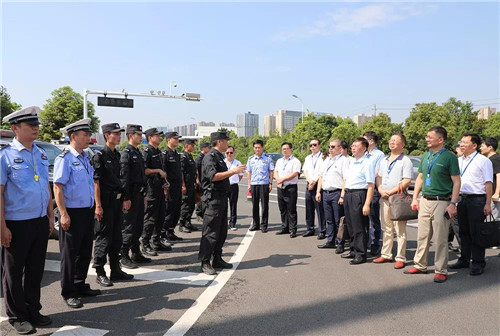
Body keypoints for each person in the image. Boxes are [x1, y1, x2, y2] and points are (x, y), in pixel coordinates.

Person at [1, 106, 54, 334]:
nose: (36, 128)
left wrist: (50, 216)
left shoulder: (40, 153)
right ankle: (17, 315)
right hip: (17, 223)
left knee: (35, 270)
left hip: (39, 221)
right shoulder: (5, 157)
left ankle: (33, 309)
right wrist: (2, 226)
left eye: (37, 125)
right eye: (30, 125)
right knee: (13, 272)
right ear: (15, 129)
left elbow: (46, 187)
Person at [54, 118, 100, 309]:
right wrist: (63, 214)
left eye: (89, 134)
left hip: (86, 211)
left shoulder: (85, 156)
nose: (89, 138)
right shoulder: (65, 158)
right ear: (73, 136)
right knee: (70, 254)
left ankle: (79, 284)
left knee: (84, 251)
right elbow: (58, 187)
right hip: (72, 212)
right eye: (85, 135)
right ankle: (68, 291)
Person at [405, 126, 460, 283]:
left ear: (440, 139)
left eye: (430, 137)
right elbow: (421, 178)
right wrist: (415, 198)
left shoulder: (449, 158)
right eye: (426, 136)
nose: (427, 139)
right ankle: (420, 264)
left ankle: (441, 269)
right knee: (422, 235)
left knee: (441, 237)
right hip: (426, 200)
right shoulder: (424, 157)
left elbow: (457, 182)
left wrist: (453, 203)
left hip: (442, 201)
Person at [92, 123, 133, 287]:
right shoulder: (100, 156)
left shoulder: (117, 155)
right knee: (103, 238)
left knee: (117, 237)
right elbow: (96, 183)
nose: (118, 136)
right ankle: (100, 272)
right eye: (115, 134)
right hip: (105, 203)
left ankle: (115, 270)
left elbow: (120, 181)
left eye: (119, 134)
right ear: (107, 135)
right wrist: (98, 206)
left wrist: (124, 198)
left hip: (116, 203)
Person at [199, 132, 246, 275]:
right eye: (225, 141)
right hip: (213, 199)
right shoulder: (210, 157)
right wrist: (233, 171)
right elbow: (213, 176)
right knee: (210, 231)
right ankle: (205, 262)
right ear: (219, 142)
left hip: (221, 198)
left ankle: (217, 258)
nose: (227, 144)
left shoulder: (219, 156)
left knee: (221, 231)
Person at [449, 133, 492, 276]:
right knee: (463, 232)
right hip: (461, 199)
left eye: (465, 142)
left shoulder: (483, 161)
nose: (461, 144)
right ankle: (464, 259)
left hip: (477, 199)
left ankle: (478, 262)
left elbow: (488, 183)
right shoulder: (458, 160)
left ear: (474, 145)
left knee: (476, 232)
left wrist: (487, 203)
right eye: (461, 142)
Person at [373, 133, 413, 269]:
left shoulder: (405, 160)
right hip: (384, 197)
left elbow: (407, 180)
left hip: (397, 199)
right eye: (391, 140)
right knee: (387, 228)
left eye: (395, 140)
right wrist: (380, 189)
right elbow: (378, 177)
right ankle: (386, 254)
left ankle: (400, 257)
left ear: (403, 144)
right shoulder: (384, 160)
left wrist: (390, 192)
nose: (392, 142)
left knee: (400, 229)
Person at [119, 124, 150, 269]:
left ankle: (136, 253)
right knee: (128, 227)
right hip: (130, 194)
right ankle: (123, 256)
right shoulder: (126, 153)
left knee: (138, 226)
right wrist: (126, 198)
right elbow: (124, 178)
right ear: (131, 135)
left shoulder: (137, 152)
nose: (141, 137)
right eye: (138, 134)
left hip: (139, 193)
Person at [341, 137, 375, 265]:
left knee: (359, 225)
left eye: (356, 145)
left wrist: (367, 204)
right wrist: (344, 195)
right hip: (349, 194)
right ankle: (353, 250)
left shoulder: (367, 163)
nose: (353, 147)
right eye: (352, 145)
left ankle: (361, 253)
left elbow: (371, 185)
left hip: (359, 194)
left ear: (364, 148)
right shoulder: (352, 162)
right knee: (350, 225)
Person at [141, 128, 171, 257]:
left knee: (160, 216)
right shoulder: (147, 152)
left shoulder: (158, 152)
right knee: (150, 218)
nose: (159, 138)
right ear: (150, 137)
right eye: (157, 136)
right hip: (151, 190)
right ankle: (145, 243)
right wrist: (157, 170)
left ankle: (156, 240)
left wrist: (165, 182)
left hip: (159, 188)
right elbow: (144, 170)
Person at [316, 139, 349, 251]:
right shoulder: (327, 161)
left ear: (340, 148)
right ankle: (330, 240)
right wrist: (318, 192)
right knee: (329, 219)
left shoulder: (343, 161)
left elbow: (346, 178)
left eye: (333, 147)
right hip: (326, 193)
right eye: (329, 147)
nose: (330, 149)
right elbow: (321, 177)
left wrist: (342, 195)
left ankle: (340, 243)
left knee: (338, 220)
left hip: (337, 192)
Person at [363, 131, 385, 256]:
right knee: (363, 218)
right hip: (363, 189)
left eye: (364, 139)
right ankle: (365, 242)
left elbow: (377, 172)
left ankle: (375, 244)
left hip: (374, 189)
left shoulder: (379, 155)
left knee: (373, 218)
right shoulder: (365, 155)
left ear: (371, 141)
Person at [274, 142, 302, 238]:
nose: (285, 150)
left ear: (291, 149)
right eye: (283, 149)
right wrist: (278, 179)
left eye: (286, 149)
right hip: (280, 187)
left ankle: (293, 229)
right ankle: (284, 227)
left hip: (290, 188)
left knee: (291, 209)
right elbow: (275, 171)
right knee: (282, 209)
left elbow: (295, 173)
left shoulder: (295, 161)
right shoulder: (279, 161)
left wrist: (283, 179)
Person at [246, 140, 274, 233]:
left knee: (264, 205)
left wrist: (270, 183)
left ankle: (264, 225)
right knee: (255, 205)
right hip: (254, 184)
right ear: (253, 148)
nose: (257, 149)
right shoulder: (251, 159)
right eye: (255, 147)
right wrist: (249, 184)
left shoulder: (267, 159)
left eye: (259, 147)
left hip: (264, 184)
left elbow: (271, 172)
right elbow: (249, 172)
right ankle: (255, 224)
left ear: (262, 148)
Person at [161, 131, 184, 242]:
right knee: (169, 211)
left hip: (177, 186)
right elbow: (163, 171)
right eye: (175, 138)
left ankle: (170, 231)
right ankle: (163, 234)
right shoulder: (165, 154)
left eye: (177, 138)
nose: (177, 140)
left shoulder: (176, 154)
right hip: (170, 187)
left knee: (176, 211)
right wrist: (165, 187)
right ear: (168, 140)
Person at [302, 138, 326, 239]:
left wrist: (314, 181)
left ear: (319, 146)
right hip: (309, 183)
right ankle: (310, 228)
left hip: (318, 184)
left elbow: (322, 172)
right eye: (311, 145)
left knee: (320, 209)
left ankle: (322, 230)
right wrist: (309, 180)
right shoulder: (308, 158)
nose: (312, 147)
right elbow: (305, 170)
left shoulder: (324, 157)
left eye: (315, 145)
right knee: (309, 208)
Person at [179, 139, 199, 233]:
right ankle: (182, 224)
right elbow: (181, 172)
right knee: (185, 205)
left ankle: (188, 222)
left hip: (191, 184)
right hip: (186, 184)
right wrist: (183, 185)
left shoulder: (190, 156)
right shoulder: (183, 157)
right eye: (192, 145)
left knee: (191, 205)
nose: (193, 147)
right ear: (187, 146)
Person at [480, 137, 500, 219]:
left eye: (482, 146)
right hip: (489, 195)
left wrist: (497, 193)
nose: (480, 148)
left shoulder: (495, 159)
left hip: (494, 197)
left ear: (490, 147)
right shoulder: (488, 159)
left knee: (493, 220)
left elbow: (499, 175)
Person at [225, 146, 243, 230]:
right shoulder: (222, 162)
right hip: (224, 186)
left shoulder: (237, 163)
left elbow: (240, 175)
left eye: (231, 153)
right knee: (223, 205)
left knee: (233, 205)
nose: (229, 154)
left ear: (234, 153)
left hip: (233, 186)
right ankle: (223, 223)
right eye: (227, 152)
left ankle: (232, 223)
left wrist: (235, 181)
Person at [195, 142, 211, 222]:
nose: (209, 149)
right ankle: (199, 213)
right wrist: (197, 180)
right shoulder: (199, 158)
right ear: (203, 148)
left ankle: (202, 213)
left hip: (205, 181)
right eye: (208, 147)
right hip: (200, 181)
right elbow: (196, 170)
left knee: (204, 198)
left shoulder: (205, 157)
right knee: (200, 198)